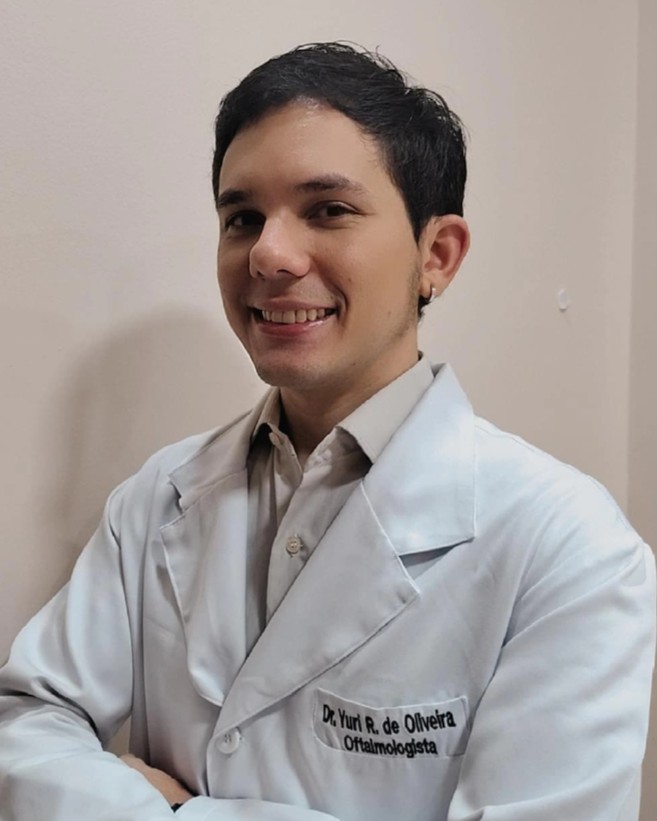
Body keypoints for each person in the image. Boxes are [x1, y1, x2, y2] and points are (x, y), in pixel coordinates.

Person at [0, 42, 654, 821]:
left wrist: (175, 813)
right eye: (242, 217)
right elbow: (28, 719)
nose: (268, 254)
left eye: (327, 210)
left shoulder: (569, 547)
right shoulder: (156, 498)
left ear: (436, 255)